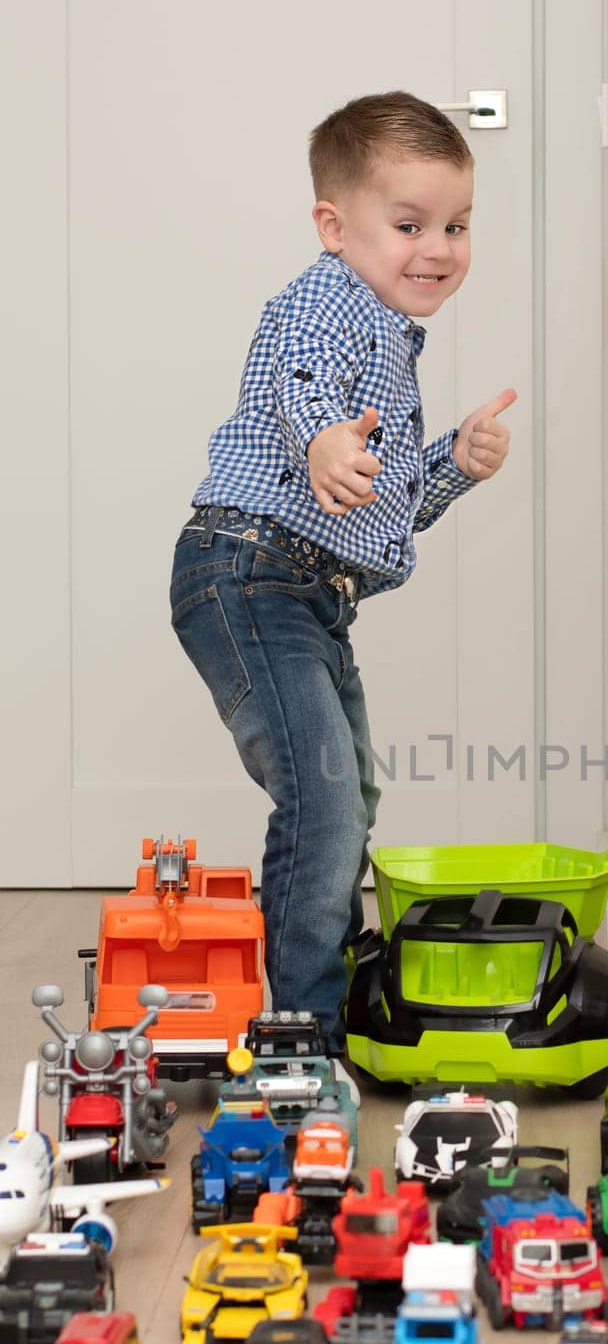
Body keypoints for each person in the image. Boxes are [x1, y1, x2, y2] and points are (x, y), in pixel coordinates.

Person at [169, 91, 516, 1051]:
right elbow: (301, 376)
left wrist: (455, 461)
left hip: (309, 590)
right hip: (246, 574)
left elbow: (380, 509)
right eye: (408, 224)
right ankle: (301, 1022)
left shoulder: (392, 344)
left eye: (456, 224)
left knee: (349, 787)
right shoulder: (328, 303)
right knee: (323, 788)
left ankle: (330, 972)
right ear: (335, 226)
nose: (438, 247)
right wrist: (320, 434)